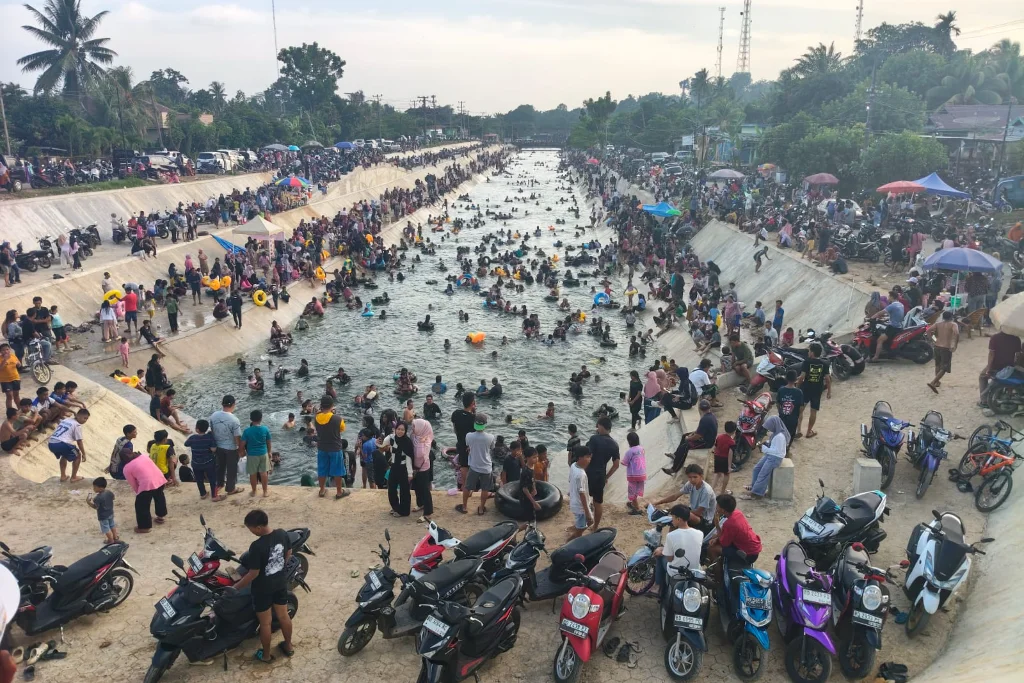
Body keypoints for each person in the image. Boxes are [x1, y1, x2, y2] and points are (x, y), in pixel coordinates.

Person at [233, 509, 295, 663]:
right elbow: (289, 553)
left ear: (259, 527)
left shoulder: (256, 546)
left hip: (262, 589)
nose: (251, 532)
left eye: (251, 529)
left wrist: (235, 588)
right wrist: (279, 568)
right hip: (280, 583)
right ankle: (288, 646)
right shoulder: (281, 533)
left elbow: (253, 573)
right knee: (283, 615)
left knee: (265, 623)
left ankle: (266, 655)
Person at [651, 504, 703, 598]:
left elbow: (670, 559)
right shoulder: (700, 534)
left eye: (673, 518)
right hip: (694, 571)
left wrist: (661, 551)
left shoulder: (671, 536)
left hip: (677, 573)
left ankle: (658, 586)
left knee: (659, 557)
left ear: (678, 519)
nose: (672, 520)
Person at [653, 463, 717, 534]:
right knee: (674, 522)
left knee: (678, 516)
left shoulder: (706, 491)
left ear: (701, 476)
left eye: (695, 477)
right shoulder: (690, 484)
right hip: (693, 511)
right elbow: (675, 496)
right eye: (690, 477)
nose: (692, 479)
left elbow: (699, 512)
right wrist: (658, 502)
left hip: (704, 519)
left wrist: (678, 512)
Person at [664, 399, 717, 475]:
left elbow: (698, 436)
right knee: (684, 435)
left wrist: (689, 438)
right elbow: (700, 431)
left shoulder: (705, 419)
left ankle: (674, 469)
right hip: (706, 438)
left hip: (706, 442)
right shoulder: (711, 416)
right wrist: (691, 434)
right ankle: (675, 455)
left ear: (699, 408)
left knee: (685, 446)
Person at [584, 416, 620, 530]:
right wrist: (606, 476)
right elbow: (616, 465)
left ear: (600, 426)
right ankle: (595, 526)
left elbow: (588, 457)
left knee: (582, 499)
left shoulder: (594, 439)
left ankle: (581, 524)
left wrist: (582, 472)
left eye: (597, 425)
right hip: (600, 476)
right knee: (598, 502)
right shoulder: (614, 444)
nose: (596, 428)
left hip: (589, 473)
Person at [743, 416, 791, 500]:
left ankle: (756, 493)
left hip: (775, 458)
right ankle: (754, 487)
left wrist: (765, 449)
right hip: (771, 455)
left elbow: (777, 452)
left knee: (763, 474)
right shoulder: (776, 433)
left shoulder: (780, 436)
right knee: (756, 468)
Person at [122, 448, 168, 532]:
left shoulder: (127, 468)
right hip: (159, 479)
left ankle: (144, 527)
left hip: (147, 484)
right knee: (159, 497)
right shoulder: (144, 456)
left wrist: (139, 493)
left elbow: (134, 484)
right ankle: (161, 517)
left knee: (141, 506)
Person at [710, 493, 762, 567]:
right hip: (754, 548)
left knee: (713, 548)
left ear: (723, 510)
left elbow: (724, 544)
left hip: (749, 555)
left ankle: (718, 575)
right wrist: (717, 538)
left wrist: (717, 525)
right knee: (715, 539)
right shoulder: (737, 513)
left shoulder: (729, 524)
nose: (716, 508)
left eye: (717, 506)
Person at [314, 396, 350, 500]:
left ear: (321, 405)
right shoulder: (337, 418)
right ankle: (339, 492)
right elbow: (342, 429)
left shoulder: (316, 417)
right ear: (332, 405)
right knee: (337, 470)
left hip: (322, 448)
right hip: (335, 448)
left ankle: (321, 490)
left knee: (322, 469)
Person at [459, 413, 495, 515]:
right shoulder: (491, 437)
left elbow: (468, 445)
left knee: (467, 487)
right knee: (485, 489)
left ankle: (465, 507)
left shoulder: (469, 436)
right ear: (485, 424)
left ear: (475, 423)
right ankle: (481, 508)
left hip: (474, 466)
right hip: (486, 467)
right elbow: (491, 448)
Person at [796, 342, 831, 438]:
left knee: (800, 410)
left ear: (812, 353)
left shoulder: (806, 362)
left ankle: (798, 430)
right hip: (817, 390)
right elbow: (828, 379)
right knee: (813, 411)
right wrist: (829, 391)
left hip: (806, 388)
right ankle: (808, 432)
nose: (808, 352)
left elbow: (801, 378)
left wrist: (797, 388)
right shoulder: (824, 363)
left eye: (809, 351)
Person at [210, 395, 243, 495]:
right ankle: (230, 488)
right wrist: (241, 450)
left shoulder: (214, 415)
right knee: (231, 469)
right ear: (233, 405)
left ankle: (219, 484)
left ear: (222, 404)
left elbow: (212, 430)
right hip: (231, 448)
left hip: (218, 447)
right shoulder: (234, 420)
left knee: (220, 467)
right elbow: (237, 437)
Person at [48, 408, 89, 482]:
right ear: (78, 416)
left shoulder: (66, 420)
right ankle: (73, 477)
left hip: (51, 443)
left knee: (65, 455)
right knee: (78, 455)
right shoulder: (77, 425)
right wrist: (84, 454)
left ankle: (63, 476)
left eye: (87, 419)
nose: (85, 420)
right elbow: (79, 442)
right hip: (61, 443)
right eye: (84, 418)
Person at [980, 331, 1022, 404]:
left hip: (995, 366)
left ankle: (984, 400)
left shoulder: (995, 337)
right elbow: (1017, 356)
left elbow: (991, 354)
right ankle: (1006, 394)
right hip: (1009, 367)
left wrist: (988, 369)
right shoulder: (1016, 339)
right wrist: (1013, 366)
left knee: (982, 377)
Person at [185, 419, 220, 500]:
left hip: (196, 463)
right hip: (209, 463)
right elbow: (213, 449)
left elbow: (186, 444)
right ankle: (214, 496)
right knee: (212, 479)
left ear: (197, 429)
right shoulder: (209, 438)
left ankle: (203, 494)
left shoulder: (193, 438)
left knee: (199, 479)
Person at [927, 310, 959, 393]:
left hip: (937, 346)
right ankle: (933, 382)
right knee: (945, 367)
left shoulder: (938, 324)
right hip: (946, 347)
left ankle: (937, 382)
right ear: (951, 317)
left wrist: (933, 340)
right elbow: (956, 333)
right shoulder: (953, 324)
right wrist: (955, 345)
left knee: (937, 364)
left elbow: (928, 331)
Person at [387, 422, 414, 517]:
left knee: (404, 491)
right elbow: (382, 445)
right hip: (394, 466)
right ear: (395, 429)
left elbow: (409, 459)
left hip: (403, 468)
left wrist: (410, 474)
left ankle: (404, 511)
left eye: (402, 430)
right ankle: (396, 507)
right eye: (398, 429)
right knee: (391, 488)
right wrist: (378, 443)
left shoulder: (407, 442)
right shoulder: (392, 438)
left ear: (405, 431)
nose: (400, 431)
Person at [243, 410, 272, 497]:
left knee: (253, 474)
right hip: (263, 453)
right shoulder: (265, 429)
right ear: (261, 419)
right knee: (264, 473)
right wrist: (269, 452)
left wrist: (242, 451)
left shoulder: (247, 431)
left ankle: (254, 491)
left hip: (252, 455)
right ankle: (265, 492)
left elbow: (242, 444)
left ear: (251, 419)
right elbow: (269, 442)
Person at [410, 418, 434, 523]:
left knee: (425, 489)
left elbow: (421, 455)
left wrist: (421, 443)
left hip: (423, 468)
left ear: (421, 428)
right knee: (416, 487)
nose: (412, 428)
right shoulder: (414, 436)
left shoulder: (426, 440)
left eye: (414, 426)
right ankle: (420, 504)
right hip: (414, 467)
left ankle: (428, 512)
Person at [451, 393, 476, 493]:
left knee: (463, 466)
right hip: (470, 447)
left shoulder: (456, 413)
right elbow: (475, 435)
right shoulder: (473, 418)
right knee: (471, 467)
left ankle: (465, 487)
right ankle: (470, 488)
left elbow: (455, 429)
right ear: (472, 403)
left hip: (461, 443)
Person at [869, 290, 904, 362]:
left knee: (879, 340)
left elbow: (880, 313)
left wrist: (871, 318)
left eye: (889, 296)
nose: (888, 298)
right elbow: (896, 315)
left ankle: (875, 357)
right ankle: (890, 354)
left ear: (891, 297)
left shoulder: (892, 305)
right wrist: (886, 318)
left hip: (893, 327)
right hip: (899, 326)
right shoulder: (900, 304)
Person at [566, 447, 593, 540]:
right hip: (580, 506)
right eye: (588, 457)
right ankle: (568, 542)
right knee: (584, 527)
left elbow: (570, 479)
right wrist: (587, 511)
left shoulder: (573, 465)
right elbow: (582, 494)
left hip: (575, 502)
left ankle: (577, 527)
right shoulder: (581, 474)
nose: (589, 460)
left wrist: (570, 492)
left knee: (586, 522)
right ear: (580, 458)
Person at [622, 431, 647, 514]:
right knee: (636, 490)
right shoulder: (641, 449)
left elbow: (624, 462)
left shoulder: (630, 452)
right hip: (642, 474)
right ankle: (633, 503)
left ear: (629, 441)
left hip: (633, 476)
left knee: (632, 491)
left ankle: (637, 508)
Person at [86, 477, 118, 544]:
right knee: (112, 525)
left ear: (100, 488)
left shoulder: (97, 498)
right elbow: (113, 498)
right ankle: (115, 537)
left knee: (106, 528)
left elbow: (95, 507)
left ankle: (110, 540)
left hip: (103, 516)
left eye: (95, 487)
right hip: (110, 513)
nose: (93, 489)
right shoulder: (109, 492)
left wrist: (88, 502)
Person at [712, 421, 736, 495]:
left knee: (717, 473)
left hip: (717, 457)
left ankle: (711, 490)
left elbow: (715, 447)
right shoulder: (732, 442)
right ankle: (722, 491)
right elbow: (730, 454)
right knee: (726, 474)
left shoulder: (719, 437)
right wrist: (729, 466)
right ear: (734, 431)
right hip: (724, 459)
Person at [519, 448, 541, 525]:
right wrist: (534, 503)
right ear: (527, 458)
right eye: (534, 457)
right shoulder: (526, 471)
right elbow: (524, 489)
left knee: (532, 518)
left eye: (537, 456)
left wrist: (534, 488)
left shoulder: (532, 467)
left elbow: (532, 479)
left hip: (531, 494)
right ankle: (516, 532)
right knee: (529, 520)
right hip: (526, 498)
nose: (536, 459)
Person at [0, 343, 19, 412]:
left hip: (15, 378)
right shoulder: (0, 358)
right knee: (9, 396)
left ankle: (20, 410)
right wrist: (4, 360)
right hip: (5, 380)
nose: (5, 351)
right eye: (3, 350)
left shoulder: (13, 356)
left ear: (10, 350)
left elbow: (19, 365)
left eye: (7, 349)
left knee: (16, 395)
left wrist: (18, 364)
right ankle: (10, 411)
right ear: (0, 352)